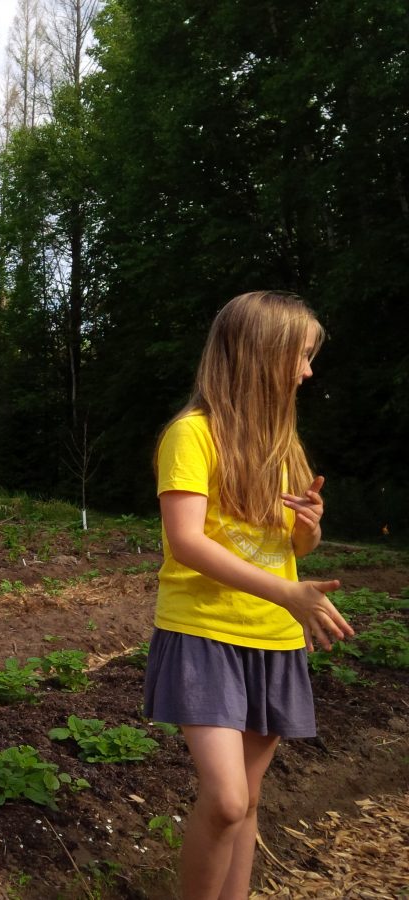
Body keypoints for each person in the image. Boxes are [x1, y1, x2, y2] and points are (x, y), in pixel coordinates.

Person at [144, 290, 354, 900]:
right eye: (301, 355)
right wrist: (290, 592)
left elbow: (291, 545)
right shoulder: (191, 435)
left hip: (273, 639)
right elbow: (186, 542)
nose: (308, 371)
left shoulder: (283, 445)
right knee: (227, 801)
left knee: (250, 800)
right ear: (261, 354)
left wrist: (309, 526)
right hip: (204, 634)